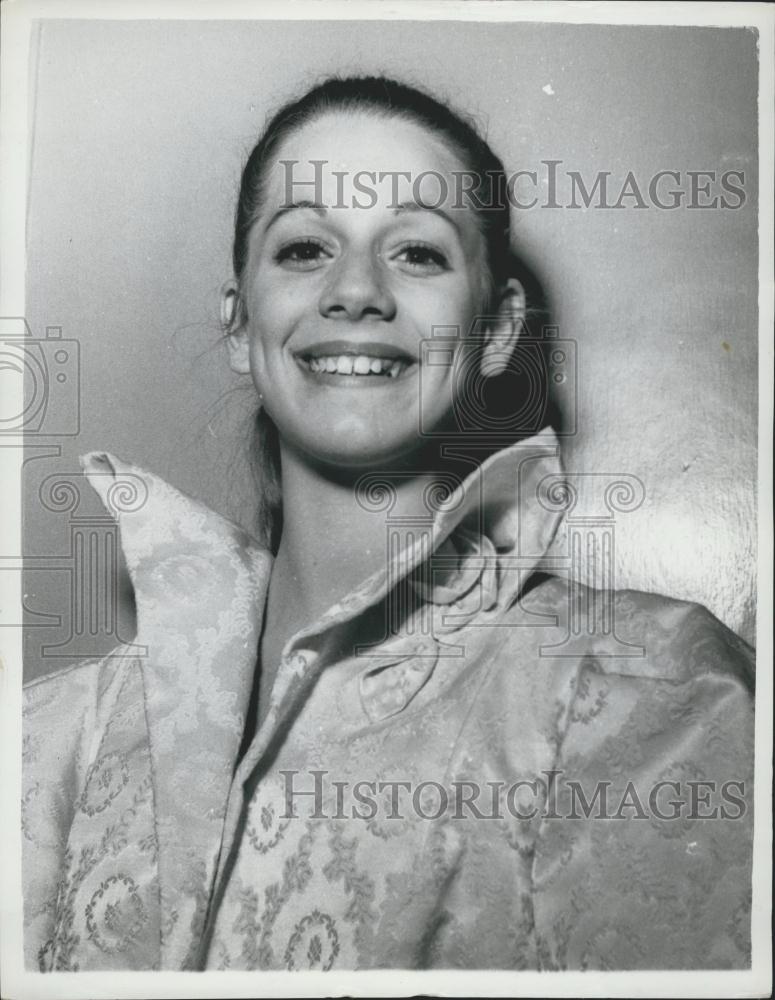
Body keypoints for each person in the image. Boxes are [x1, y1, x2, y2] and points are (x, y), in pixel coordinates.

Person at [22, 76, 754, 972]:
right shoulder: (56, 738)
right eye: (302, 248)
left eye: (414, 252)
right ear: (239, 323)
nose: (356, 290)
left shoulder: (656, 692)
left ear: (493, 330)